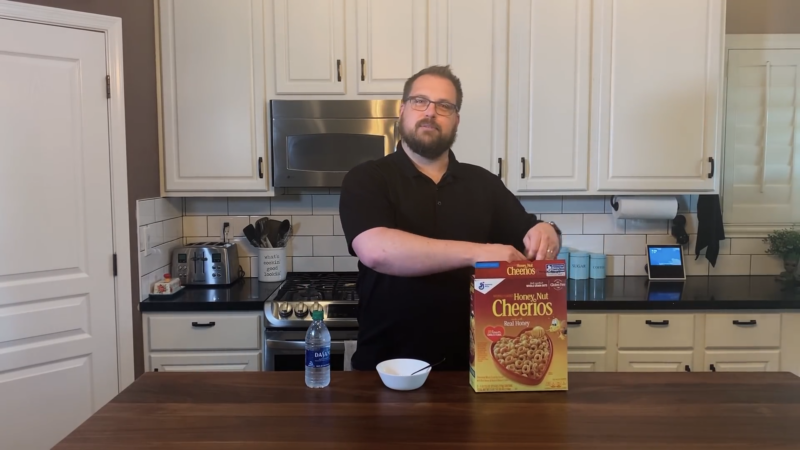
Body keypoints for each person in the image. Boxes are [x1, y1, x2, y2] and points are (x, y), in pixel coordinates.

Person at [339, 65, 562, 371]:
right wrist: (479, 252)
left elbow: (529, 235)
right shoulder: (368, 178)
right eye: (420, 101)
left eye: (444, 106)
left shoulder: (484, 183)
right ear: (402, 110)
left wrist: (547, 230)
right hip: (387, 367)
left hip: (474, 368)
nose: (430, 112)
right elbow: (377, 251)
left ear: (456, 119)